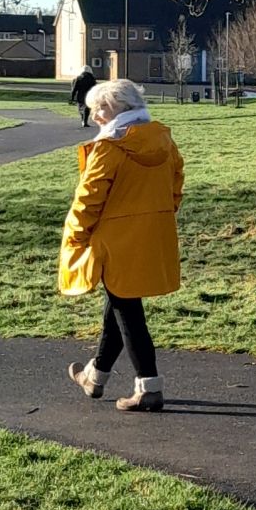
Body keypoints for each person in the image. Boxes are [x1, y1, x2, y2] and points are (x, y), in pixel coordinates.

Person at [60, 77, 184, 412]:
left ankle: (149, 386)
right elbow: (176, 185)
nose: (95, 116)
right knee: (119, 303)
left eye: (99, 108)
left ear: (117, 107)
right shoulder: (163, 140)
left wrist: (76, 234)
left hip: (113, 240)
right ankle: (95, 375)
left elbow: (89, 198)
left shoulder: (110, 147)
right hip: (151, 235)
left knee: (127, 312)